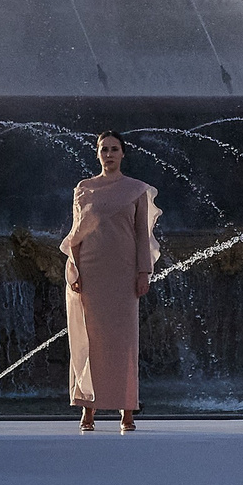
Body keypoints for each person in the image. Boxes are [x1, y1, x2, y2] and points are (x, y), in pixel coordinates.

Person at [61, 130, 157, 433]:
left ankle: (127, 410)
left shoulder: (136, 190)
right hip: (90, 270)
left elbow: (143, 235)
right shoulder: (84, 188)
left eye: (115, 149)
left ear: (123, 154)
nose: (109, 154)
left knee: (125, 342)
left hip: (125, 273)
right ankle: (88, 408)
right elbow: (75, 233)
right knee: (90, 340)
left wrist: (144, 272)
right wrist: (74, 270)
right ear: (97, 153)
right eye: (104, 149)